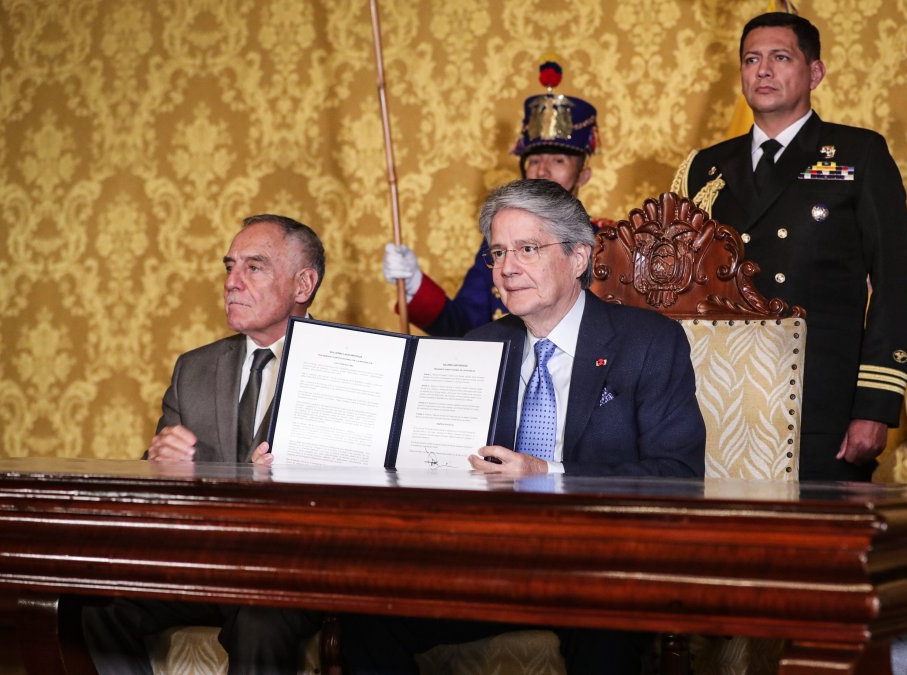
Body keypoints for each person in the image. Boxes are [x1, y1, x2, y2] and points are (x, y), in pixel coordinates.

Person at [342, 179, 706, 673]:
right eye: (498, 253)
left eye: (528, 249)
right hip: (489, 562)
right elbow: (420, 458)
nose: (508, 269)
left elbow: (678, 477)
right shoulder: (477, 346)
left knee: (607, 638)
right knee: (367, 615)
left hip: (600, 564)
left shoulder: (649, 343)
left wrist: (545, 472)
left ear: (578, 257)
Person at [671, 11, 907, 481]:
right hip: (717, 397)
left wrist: (876, 406)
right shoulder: (705, 167)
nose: (762, 70)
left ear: (815, 73)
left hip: (819, 399)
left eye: (780, 57)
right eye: (751, 59)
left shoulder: (857, 154)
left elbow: (895, 286)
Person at [82, 214, 326, 675]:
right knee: (97, 607)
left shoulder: (346, 366)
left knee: (261, 619)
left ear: (303, 284)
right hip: (203, 565)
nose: (232, 282)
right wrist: (159, 466)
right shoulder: (193, 368)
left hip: (290, 572)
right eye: (229, 266)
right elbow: (152, 480)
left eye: (254, 267)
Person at [384, 59, 607, 337]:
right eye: (534, 159)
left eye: (558, 160)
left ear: (584, 175)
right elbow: (464, 329)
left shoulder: (609, 243)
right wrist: (414, 283)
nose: (543, 170)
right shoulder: (498, 243)